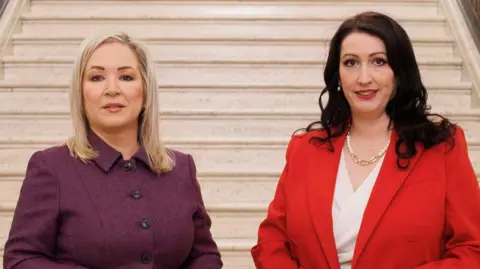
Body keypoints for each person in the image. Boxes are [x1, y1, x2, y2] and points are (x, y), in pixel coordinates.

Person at [251, 11, 480, 269]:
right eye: (350, 63)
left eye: (379, 61)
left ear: (399, 72)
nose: (363, 78)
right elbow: (271, 241)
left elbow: (472, 250)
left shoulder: (441, 148)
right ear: (338, 76)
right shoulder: (305, 150)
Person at [3, 32, 223, 269]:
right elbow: (21, 259)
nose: (112, 89)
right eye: (96, 77)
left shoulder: (181, 168)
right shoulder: (51, 167)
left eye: (126, 77)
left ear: (146, 90)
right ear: (80, 92)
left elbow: (204, 255)